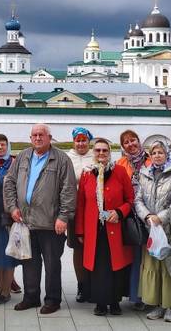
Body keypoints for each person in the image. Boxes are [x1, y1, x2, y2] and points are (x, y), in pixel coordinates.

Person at [2, 123, 77, 315]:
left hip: (51, 223)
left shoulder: (61, 159)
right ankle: (31, 297)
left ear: (49, 137)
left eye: (41, 135)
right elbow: (9, 181)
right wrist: (12, 207)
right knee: (30, 262)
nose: (37, 138)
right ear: (30, 138)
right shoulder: (23, 157)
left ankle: (52, 300)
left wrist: (63, 217)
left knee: (52, 263)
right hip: (26, 221)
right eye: (34, 135)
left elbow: (68, 190)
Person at [135, 141, 171, 323]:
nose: (157, 155)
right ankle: (159, 304)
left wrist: (160, 217)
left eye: (161, 152)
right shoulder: (144, 175)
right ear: (150, 155)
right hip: (152, 230)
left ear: (167, 154)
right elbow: (138, 200)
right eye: (154, 152)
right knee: (155, 267)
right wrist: (147, 217)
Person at [75, 138, 134, 316]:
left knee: (116, 266)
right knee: (98, 268)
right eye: (98, 150)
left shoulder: (120, 171)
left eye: (105, 151)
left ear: (110, 153)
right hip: (94, 230)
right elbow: (81, 204)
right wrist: (80, 230)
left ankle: (114, 301)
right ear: (93, 153)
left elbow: (130, 200)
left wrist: (120, 212)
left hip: (115, 228)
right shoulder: (87, 174)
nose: (101, 154)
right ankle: (100, 302)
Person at [117, 129, 150, 311]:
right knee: (137, 257)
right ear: (123, 147)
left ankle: (155, 294)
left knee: (152, 256)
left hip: (151, 215)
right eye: (126, 142)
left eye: (133, 140)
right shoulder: (121, 164)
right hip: (132, 217)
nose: (131, 144)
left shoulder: (151, 160)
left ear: (139, 140)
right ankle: (137, 295)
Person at [66, 126, 96, 303]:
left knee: (95, 247)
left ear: (89, 141)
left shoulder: (96, 156)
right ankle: (82, 284)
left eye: (84, 140)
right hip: (75, 209)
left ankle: (94, 283)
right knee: (78, 248)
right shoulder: (67, 158)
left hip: (94, 209)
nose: (81, 143)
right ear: (73, 142)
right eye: (78, 140)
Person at [0, 133, 20, 303]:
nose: (0, 148)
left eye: (3, 145)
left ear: (7, 146)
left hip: (9, 216)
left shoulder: (14, 163)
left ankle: (7, 290)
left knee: (8, 255)